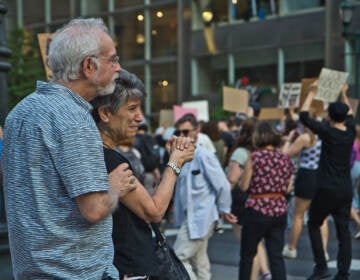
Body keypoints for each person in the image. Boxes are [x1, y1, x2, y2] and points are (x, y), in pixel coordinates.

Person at [2, 18, 137, 279]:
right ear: (88, 66)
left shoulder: (19, 112)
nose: (119, 68)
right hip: (75, 272)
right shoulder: (74, 119)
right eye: (112, 59)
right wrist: (115, 186)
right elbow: (95, 209)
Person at [91, 70, 195, 279]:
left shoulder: (101, 154)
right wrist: (175, 162)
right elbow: (154, 211)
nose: (139, 117)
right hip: (133, 268)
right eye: (132, 109)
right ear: (104, 114)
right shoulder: (109, 159)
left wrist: (170, 160)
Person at [300, 81, 355, 280]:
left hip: (326, 188)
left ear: (330, 117)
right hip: (345, 188)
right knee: (344, 231)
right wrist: (343, 93)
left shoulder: (328, 132)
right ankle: (343, 273)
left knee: (314, 223)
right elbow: (350, 114)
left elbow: (304, 117)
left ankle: (321, 267)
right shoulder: (349, 132)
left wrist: (312, 92)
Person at [172, 113, 237, 280]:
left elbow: (222, 184)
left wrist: (224, 209)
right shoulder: (182, 156)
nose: (182, 136)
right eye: (178, 132)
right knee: (199, 262)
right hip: (193, 217)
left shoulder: (203, 155)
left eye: (186, 132)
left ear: (197, 130)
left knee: (177, 259)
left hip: (202, 216)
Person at [239, 121, 294, 280]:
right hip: (279, 210)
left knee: (247, 256)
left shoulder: (254, 157)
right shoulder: (286, 159)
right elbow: (288, 189)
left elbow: (244, 186)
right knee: (276, 256)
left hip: (257, 209)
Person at [226, 117, 271, 280]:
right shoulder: (263, 152)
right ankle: (265, 272)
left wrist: (221, 203)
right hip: (259, 199)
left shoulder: (240, 152)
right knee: (256, 242)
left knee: (248, 246)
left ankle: (259, 275)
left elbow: (232, 179)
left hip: (240, 199)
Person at [282, 124, 329, 261]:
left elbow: (286, 154)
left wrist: (289, 140)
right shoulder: (325, 137)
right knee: (323, 217)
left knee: (298, 215)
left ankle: (291, 248)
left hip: (306, 176)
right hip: (321, 175)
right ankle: (323, 252)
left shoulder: (304, 138)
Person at [135, 123, 161, 194]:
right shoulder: (150, 138)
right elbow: (155, 154)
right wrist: (155, 167)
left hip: (136, 173)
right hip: (149, 172)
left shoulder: (134, 139)